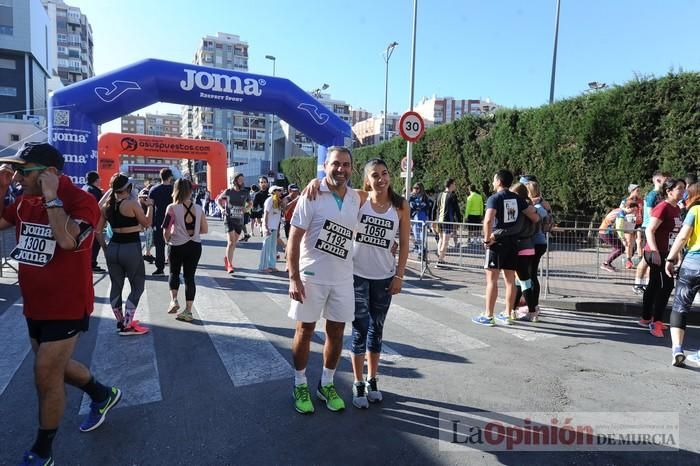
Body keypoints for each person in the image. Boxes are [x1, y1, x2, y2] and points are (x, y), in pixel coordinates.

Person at [0, 143, 121, 465]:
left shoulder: (82, 201)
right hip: (35, 303)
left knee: (44, 373)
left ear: (50, 173)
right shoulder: (27, 199)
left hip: (67, 304)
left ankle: (43, 450)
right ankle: (102, 394)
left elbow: (67, 240)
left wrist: (53, 198)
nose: (17, 177)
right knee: (55, 367)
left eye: (24, 171)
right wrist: (0, 189)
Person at [287, 146, 360, 414]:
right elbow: (293, 238)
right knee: (304, 330)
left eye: (346, 164)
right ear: (325, 165)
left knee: (337, 332)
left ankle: (326, 384)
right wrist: (293, 277)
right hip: (311, 276)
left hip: (342, 278)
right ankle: (300, 383)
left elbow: (384, 199)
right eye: (335, 164)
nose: (341, 169)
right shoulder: (312, 194)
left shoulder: (356, 198)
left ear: (352, 168)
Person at [350, 159, 410, 409]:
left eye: (384, 174)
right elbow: (330, 188)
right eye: (375, 175)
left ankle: (373, 379)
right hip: (357, 275)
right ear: (367, 180)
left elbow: (404, 243)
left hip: (384, 277)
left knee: (377, 328)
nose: (381, 179)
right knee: (359, 329)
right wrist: (313, 183)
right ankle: (358, 381)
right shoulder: (359, 199)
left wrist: (399, 275)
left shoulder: (400, 205)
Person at [472, 169, 540, 326]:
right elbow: (534, 215)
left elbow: (488, 220)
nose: (493, 182)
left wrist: (487, 239)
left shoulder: (494, 198)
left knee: (491, 280)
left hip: (497, 243)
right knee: (510, 281)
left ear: (498, 181)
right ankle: (508, 314)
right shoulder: (517, 198)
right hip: (513, 243)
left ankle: (489, 315)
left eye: (494, 179)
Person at [96, 173, 153, 335]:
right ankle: (127, 325)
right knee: (137, 286)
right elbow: (147, 224)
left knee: (116, 286)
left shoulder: (106, 206)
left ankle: (121, 321)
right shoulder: (131, 204)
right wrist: (150, 206)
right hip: (131, 247)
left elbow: (98, 232)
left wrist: (106, 249)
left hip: (113, 247)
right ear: (128, 188)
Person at [640, 178, 686, 338]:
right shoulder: (663, 207)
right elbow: (649, 230)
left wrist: (677, 254)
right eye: (679, 188)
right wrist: (655, 252)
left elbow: (675, 235)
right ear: (669, 191)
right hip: (656, 252)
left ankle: (646, 318)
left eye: (684, 188)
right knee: (666, 286)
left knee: (654, 285)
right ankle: (656, 322)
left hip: (667, 253)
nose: (682, 191)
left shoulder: (676, 209)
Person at [163, 179, 208, 322]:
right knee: (190, 278)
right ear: (190, 191)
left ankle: (174, 300)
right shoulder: (199, 208)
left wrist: (167, 240)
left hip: (176, 245)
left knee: (174, 273)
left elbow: (166, 230)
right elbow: (205, 229)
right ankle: (188, 311)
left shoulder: (171, 208)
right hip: (195, 245)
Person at [666, 182, 700, 366]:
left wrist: (670, 259)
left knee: (680, 306)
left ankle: (677, 349)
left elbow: (683, 237)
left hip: (693, 264)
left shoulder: (695, 211)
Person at [634, 171, 670, 294]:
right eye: (666, 180)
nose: (668, 182)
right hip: (649, 228)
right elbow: (650, 213)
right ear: (658, 181)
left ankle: (650, 284)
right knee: (646, 259)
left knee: (652, 260)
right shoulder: (652, 195)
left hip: (655, 228)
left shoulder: (660, 195)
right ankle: (638, 283)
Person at [216, 173, 249, 274]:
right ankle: (230, 264)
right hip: (229, 219)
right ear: (235, 180)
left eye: (242, 180)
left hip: (239, 220)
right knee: (231, 242)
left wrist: (246, 208)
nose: (241, 182)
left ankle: (227, 259)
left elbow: (250, 203)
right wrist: (222, 209)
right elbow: (218, 200)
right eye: (240, 180)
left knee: (234, 243)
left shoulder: (245, 192)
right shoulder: (229, 191)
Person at [148, 168, 174, 276]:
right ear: (170, 177)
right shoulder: (175, 190)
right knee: (173, 244)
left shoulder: (154, 189)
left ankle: (160, 269)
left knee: (159, 245)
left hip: (158, 220)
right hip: (173, 220)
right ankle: (173, 267)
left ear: (160, 176)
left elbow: (151, 206)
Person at [435, 178, 462, 267]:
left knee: (441, 240)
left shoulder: (439, 195)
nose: (455, 186)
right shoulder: (452, 196)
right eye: (454, 184)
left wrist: (433, 220)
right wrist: (459, 221)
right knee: (445, 242)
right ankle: (440, 261)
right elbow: (457, 210)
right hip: (447, 221)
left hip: (439, 221)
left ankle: (440, 258)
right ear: (451, 185)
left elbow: (435, 209)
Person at [83, 170, 105, 272]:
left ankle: (87, 263)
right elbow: (98, 206)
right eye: (99, 179)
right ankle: (92, 264)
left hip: (83, 221)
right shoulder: (95, 191)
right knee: (95, 243)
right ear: (96, 180)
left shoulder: (84, 188)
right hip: (93, 221)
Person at [259, 185, 284, 272]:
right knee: (266, 247)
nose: (281, 192)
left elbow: (277, 217)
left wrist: (277, 230)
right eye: (279, 190)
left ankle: (271, 265)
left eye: (281, 190)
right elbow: (266, 214)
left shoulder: (278, 201)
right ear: (273, 191)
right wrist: (265, 227)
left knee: (273, 247)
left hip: (274, 227)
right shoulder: (269, 200)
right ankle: (263, 267)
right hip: (268, 227)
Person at [598, 205, 626, 272]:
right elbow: (619, 225)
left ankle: (607, 263)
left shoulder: (618, 210)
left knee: (617, 247)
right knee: (621, 248)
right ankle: (606, 263)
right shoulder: (621, 212)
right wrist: (622, 237)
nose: (633, 212)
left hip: (605, 231)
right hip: (605, 232)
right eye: (633, 210)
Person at [409, 182, 430, 256]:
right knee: (416, 235)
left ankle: (422, 250)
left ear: (421, 189)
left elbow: (427, 207)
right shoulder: (411, 196)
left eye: (417, 188)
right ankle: (419, 251)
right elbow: (411, 206)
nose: (415, 189)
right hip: (414, 218)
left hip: (422, 217)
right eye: (414, 188)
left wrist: (419, 207)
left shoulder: (424, 197)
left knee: (423, 235)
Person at [138, 188, 155, 264]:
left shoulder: (140, 203)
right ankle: (147, 253)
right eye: (144, 198)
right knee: (149, 232)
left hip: (147, 222)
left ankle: (147, 253)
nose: (145, 199)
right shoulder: (149, 203)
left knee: (149, 233)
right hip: (148, 223)